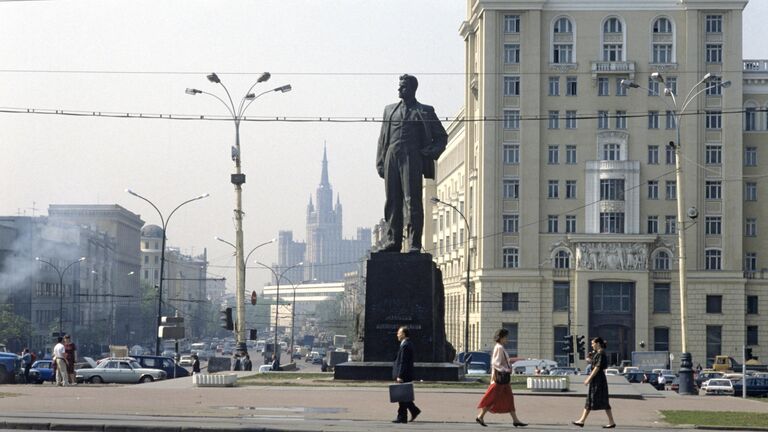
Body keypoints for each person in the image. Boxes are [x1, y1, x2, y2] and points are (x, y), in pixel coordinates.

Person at [376, 74, 448, 253]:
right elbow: (382, 138)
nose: (399, 90)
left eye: (403, 87)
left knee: (412, 201)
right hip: (392, 156)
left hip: (412, 157)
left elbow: (441, 137)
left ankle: (415, 242)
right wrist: (380, 161)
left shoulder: (425, 111)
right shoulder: (389, 110)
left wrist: (429, 152)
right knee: (392, 201)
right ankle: (393, 241)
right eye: (399, 86)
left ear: (412, 89)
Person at [475, 328, 527, 428]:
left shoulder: (500, 347)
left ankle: (515, 420)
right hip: (499, 379)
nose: (507, 339)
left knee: (509, 398)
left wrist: (507, 367)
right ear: (501, 338)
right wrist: (506, 370)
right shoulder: (499, 348)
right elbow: (495, 363)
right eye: (506, 337)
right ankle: (480, 416)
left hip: (503, 380)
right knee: (492, 398)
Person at [572, 337, 616, 429]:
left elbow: (597, 368)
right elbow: (596, 364)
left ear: (598, 344)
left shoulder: (600, 353)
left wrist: (589, 378)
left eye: (593, 343)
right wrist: (590, 360)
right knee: (600, 400)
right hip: (599, 379)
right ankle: (583, 420)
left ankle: (582, 421)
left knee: (592, 399)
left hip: (598, 379)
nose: (592, 345)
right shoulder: (599, 353)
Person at [392, 326, 421, 424]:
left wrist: (400, 375)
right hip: (406, 374)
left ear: (403, 334)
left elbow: (403, 362)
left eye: (398, 333)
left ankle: (404, 416)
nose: (397, 334)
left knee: (402, 397)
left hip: (404, 375)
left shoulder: (406, 345)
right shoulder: (405, 344)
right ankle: (409, 413)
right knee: (403, 396)